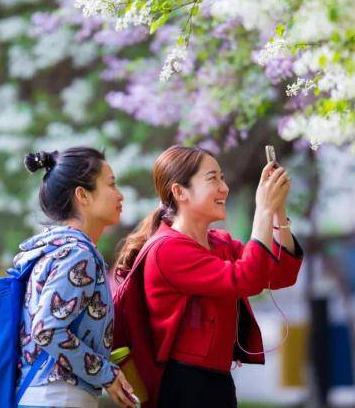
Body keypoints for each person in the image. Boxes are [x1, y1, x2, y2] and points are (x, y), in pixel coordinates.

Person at [115, 145, 304, 407]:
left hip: (216, 381)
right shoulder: (168, 249)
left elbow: (281, 273)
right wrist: (262, 210)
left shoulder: (220, 243)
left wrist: (276, 210)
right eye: (212, 178)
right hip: (184, 384)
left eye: (222, 178)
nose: (224, 188)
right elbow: (245, 278)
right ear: (180, 192)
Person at [16, 147, 136, 408]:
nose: (120, 195)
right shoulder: (77, 255)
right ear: (83, 195)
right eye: (111, 185)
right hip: (58, 397)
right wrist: (106, 373)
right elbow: (46, 329)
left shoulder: (56, 250)